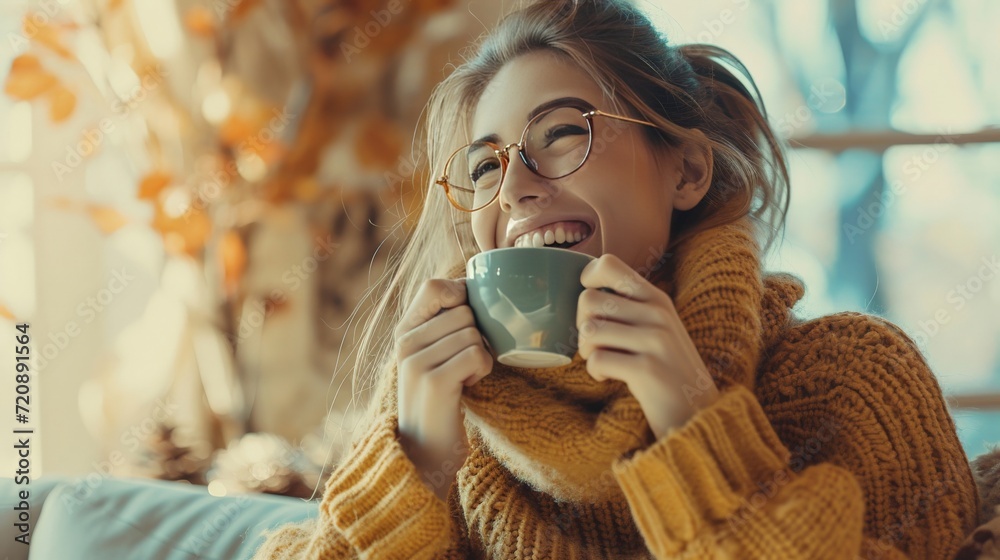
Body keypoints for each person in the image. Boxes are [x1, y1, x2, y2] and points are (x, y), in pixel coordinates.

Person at [254, 0, 980, 558]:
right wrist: (416, 467)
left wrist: (696, 421)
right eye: (485, 166)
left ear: (687, 170)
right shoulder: (438, 408)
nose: (513, 189)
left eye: (562, 133)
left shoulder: (853, 383)